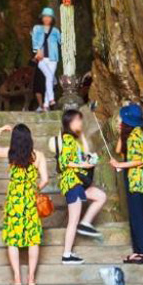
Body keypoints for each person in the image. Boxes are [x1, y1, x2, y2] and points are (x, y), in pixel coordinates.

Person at [0, 122, 42, 285]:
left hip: (14, 202)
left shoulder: (10, 154)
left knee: (13, 240)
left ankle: (17, 278)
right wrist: (33, 188)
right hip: (30, 201)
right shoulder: (38, 156)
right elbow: (46, 179)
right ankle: (32, 278)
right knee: (33, 240)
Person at [55, 108, 106, 263]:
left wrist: (82, 135)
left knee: (100, 196)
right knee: (73, 220)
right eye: (78, 120)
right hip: (72, 182)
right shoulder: (68, 139)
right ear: (70, 122)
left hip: (78, 182)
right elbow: (63, 162)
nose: (81, 123)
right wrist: (83, 164)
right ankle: (67, 255)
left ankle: (86, 223)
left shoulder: (74, 139)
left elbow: (85, 153)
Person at [109, 103, 143, 264]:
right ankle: (138, 251)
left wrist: (119, 165)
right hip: (132, 180)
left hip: (138, 181)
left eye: (122, 117)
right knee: (134, 217)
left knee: (138, 217)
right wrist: (121, 133)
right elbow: (120, 151)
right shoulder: (131, 133)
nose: (119, 119)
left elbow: (138, 160)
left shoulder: (136, 135)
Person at [30, 7, 62, 111]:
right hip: (42, 58)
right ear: (42, 18)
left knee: (49, 78)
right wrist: (37, 50)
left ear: (52, 19)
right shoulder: (37, 29)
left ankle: (46, 104)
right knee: (49, 77)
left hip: (53, 58)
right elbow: (34, 41)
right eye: (45, 17)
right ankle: (51, 99)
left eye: (49, 17)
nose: (47, 19)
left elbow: (61, 41)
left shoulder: (56, 31)